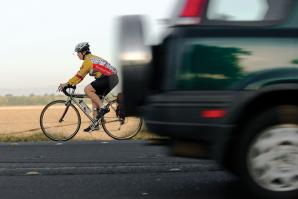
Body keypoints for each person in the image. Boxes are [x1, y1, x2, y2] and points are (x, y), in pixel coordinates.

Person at [58, 42, 119, 132]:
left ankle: (103, 108)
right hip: (111, 78)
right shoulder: (92, 58)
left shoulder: (88, 61)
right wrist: (71, 83)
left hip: (108, 78)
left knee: (87, 90)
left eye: (78, 53)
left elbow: (79, 75)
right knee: (94, 99)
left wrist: (66, 84)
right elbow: (81, 76)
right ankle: (95, 123)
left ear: (83, 52)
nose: (77, 55)